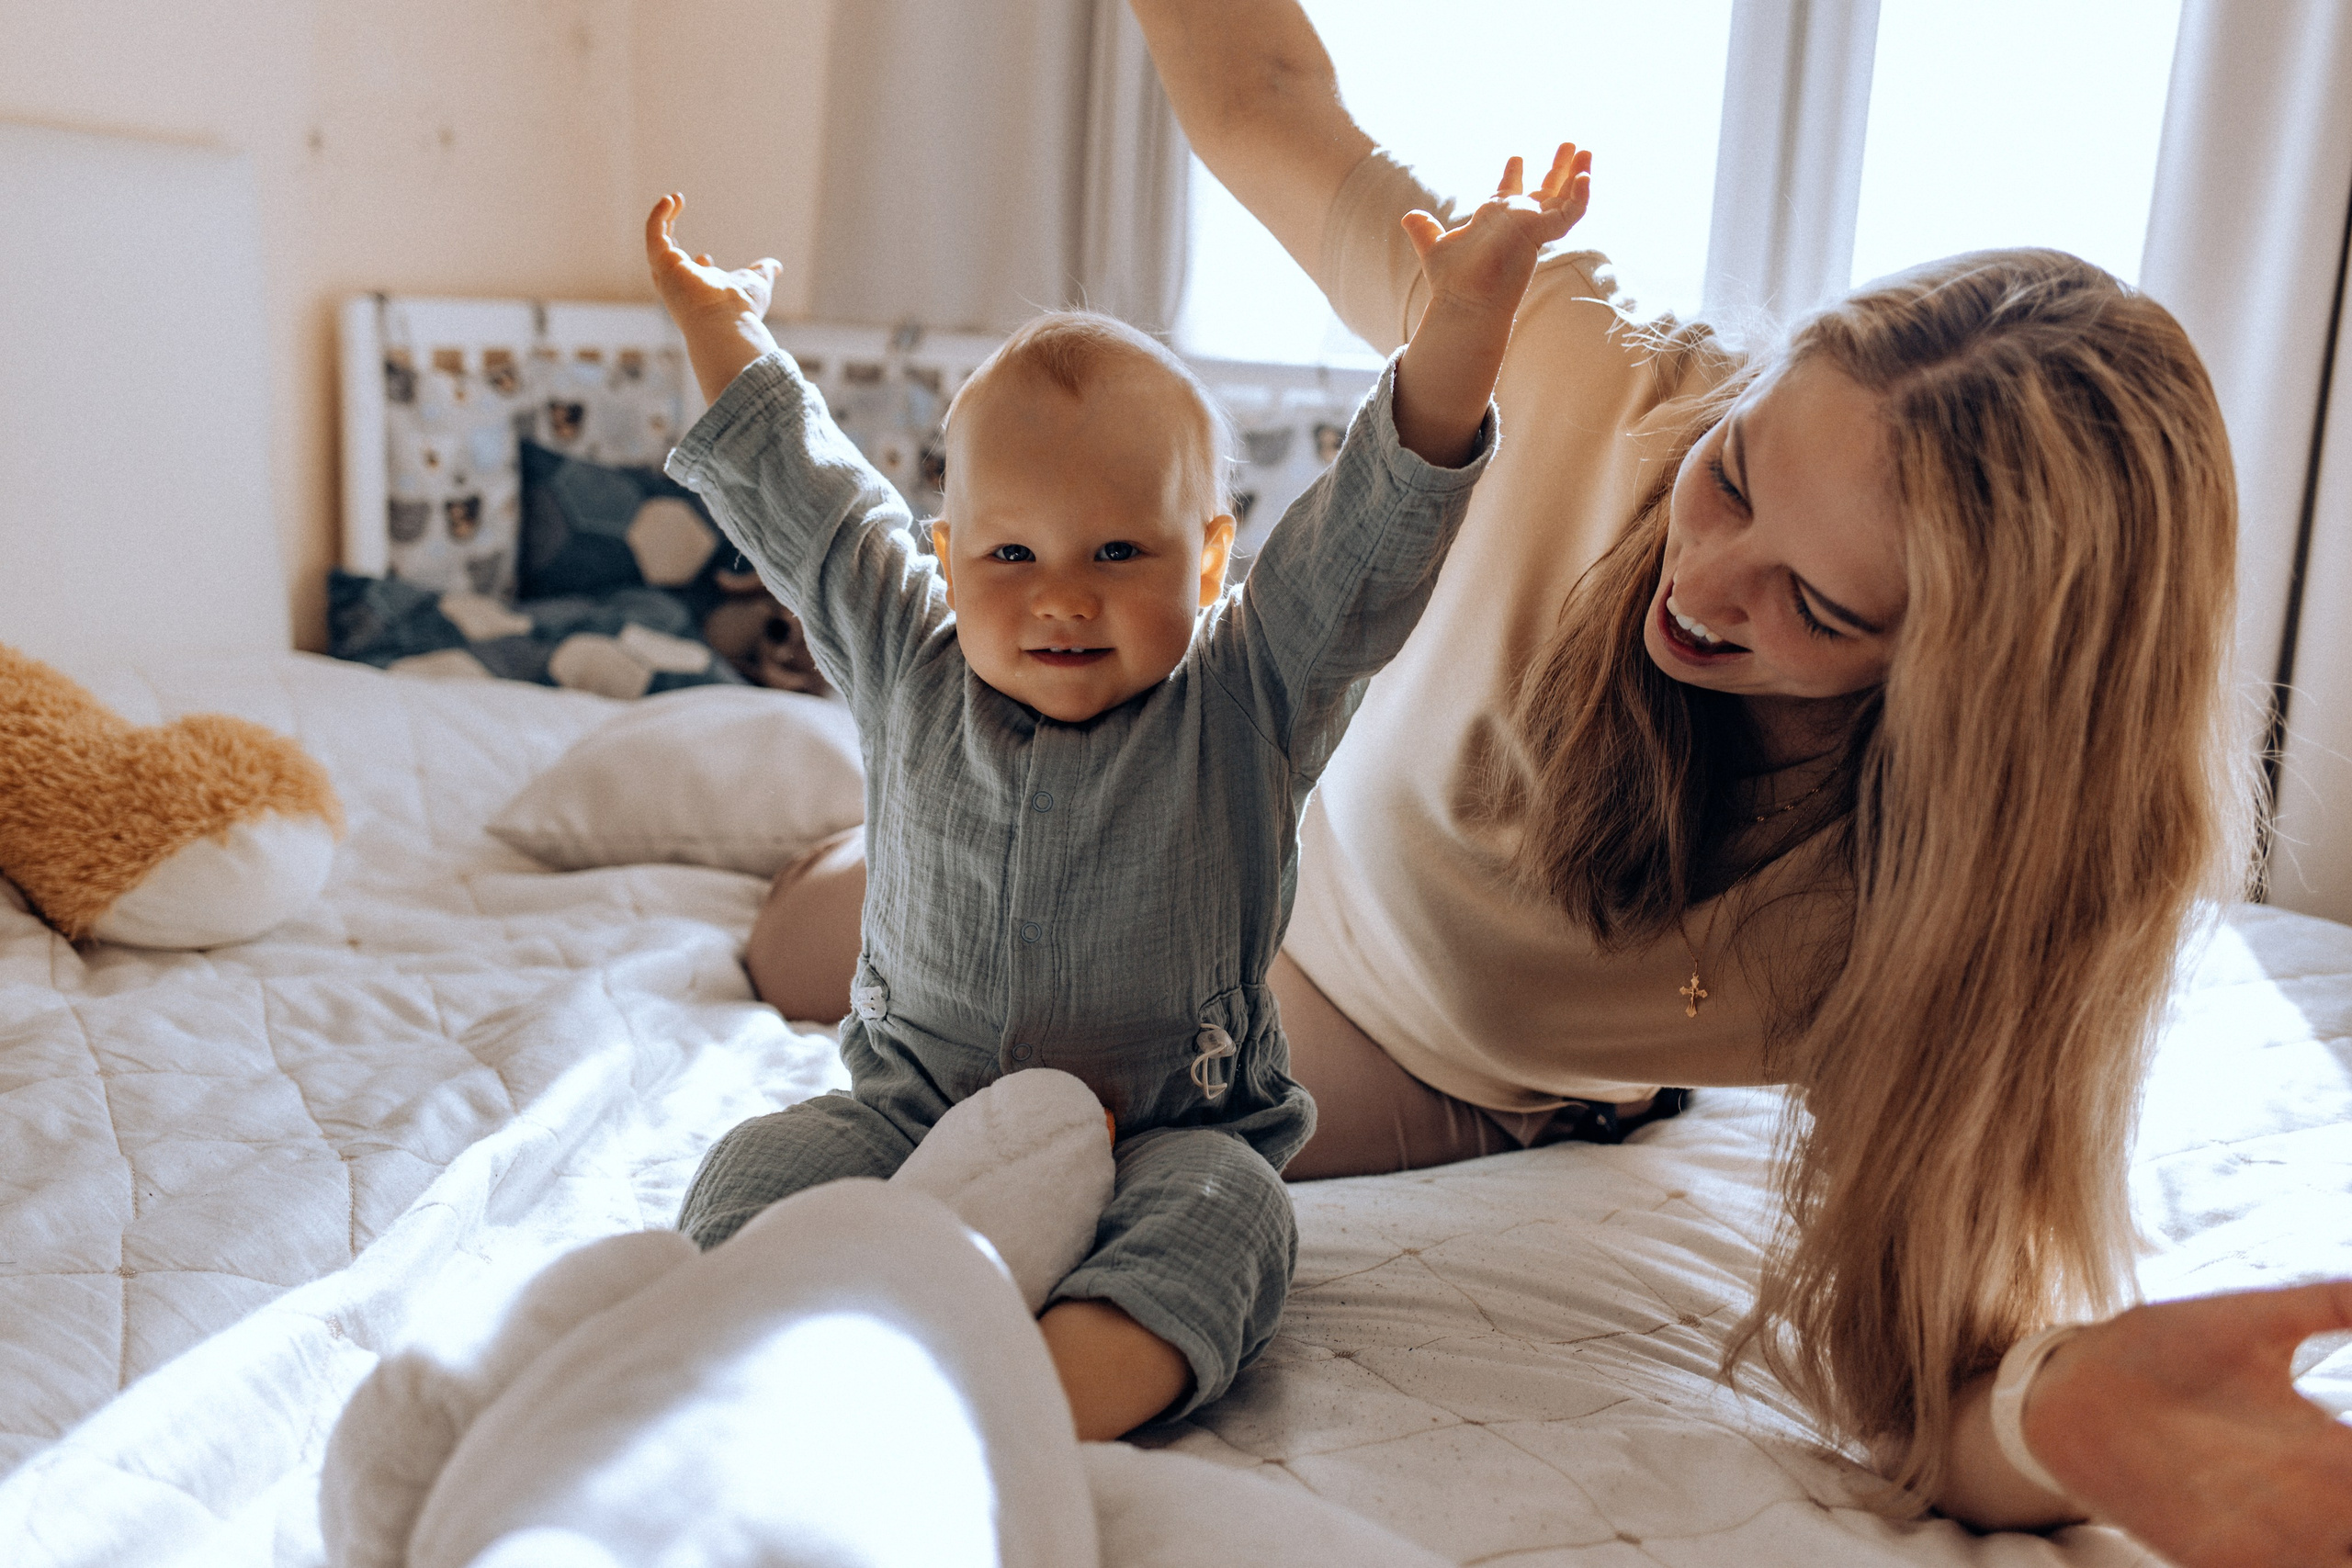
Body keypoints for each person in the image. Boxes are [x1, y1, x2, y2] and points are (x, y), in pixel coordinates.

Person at [737, 6, 2352, 1562]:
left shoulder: (2008, 887)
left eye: (1822, 606)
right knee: (797, 945)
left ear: (1980, 698)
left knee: (1106, 1175)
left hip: (1436, 1043)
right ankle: (895, 798)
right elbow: (1261, 100)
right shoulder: (1579, 363)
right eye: (1731, 479)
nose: (1705, 588)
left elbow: (1934, 1394)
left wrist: (2079, 1415)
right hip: (1243, 824)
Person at [641, 147, 1589, 1443]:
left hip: (1166, 1134)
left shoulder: (1251, 686)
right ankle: (773, 1365)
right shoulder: (910, 654)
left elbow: (1375, 529)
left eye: (1118, 551)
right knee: (753, 1169)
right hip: (917, 1115)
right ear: (950, 558)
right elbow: (809, 505)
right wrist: (719, 330)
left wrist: (1467, 319)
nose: (1062, 595)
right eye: (1014, 553)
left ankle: (1023, 1407)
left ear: (1208, 559)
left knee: (1239, 1221)